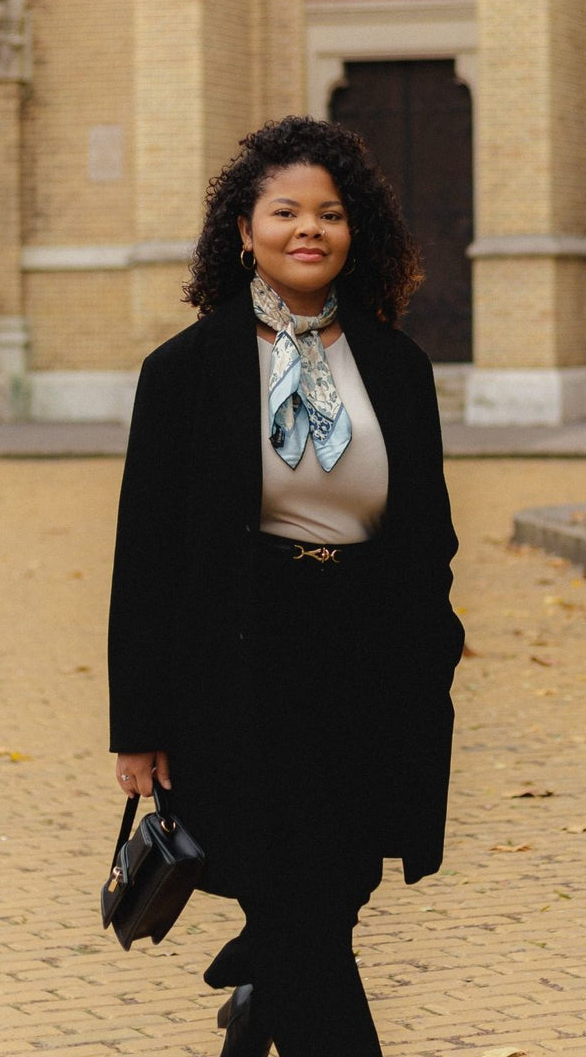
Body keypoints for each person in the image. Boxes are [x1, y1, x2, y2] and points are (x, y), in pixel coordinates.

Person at [108, 116, 464, 1056]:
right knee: (295, 901)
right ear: (243, 231)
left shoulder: (398, 367)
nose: (310, 229)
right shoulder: (184, 373)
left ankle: (261, 988)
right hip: (238, 672)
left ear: (358, 232)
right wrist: (137, 725)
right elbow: (145, 556)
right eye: (285, 211)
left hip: (367, 668)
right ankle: (273, 974)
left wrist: (434, 647)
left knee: (334, 891)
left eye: (331, 213)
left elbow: (429, 534)